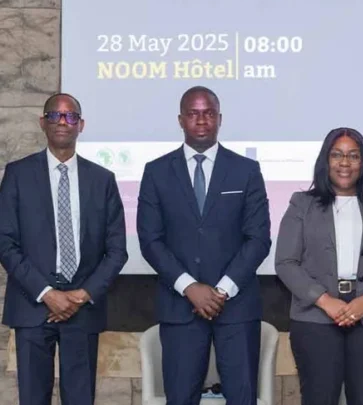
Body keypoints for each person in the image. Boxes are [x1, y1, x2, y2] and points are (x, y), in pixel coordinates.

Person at [137, 86, 271, 405]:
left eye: (208, 113)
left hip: (236, 308)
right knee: (180, 398)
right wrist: (189, 287)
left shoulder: (246, 170)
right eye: (193, 113)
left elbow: (258, 238)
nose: (201, 120)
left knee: (243, 398)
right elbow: (150, 240)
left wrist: (221, 291)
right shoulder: (156, 172)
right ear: (180, 120)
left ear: (219, 119)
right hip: (179, 307)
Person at [0, 93, 128, 405]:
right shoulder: (18, 174)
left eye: (70, 116)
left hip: (82, 309)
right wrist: (47, 293)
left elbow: (117, 250)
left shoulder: (102, 180)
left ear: (80, 125)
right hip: (32, 306)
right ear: (42, 122)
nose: (62, 122)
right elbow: (5, 241)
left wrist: (82, 295)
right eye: (54, 115)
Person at [275, 127, 363, 405]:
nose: (344, 162)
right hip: (315, 317)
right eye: (337, 155)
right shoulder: (302, 204)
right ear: (326, 160)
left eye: (353, 156)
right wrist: (325, 301)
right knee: (319, 397)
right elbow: (286, 262)